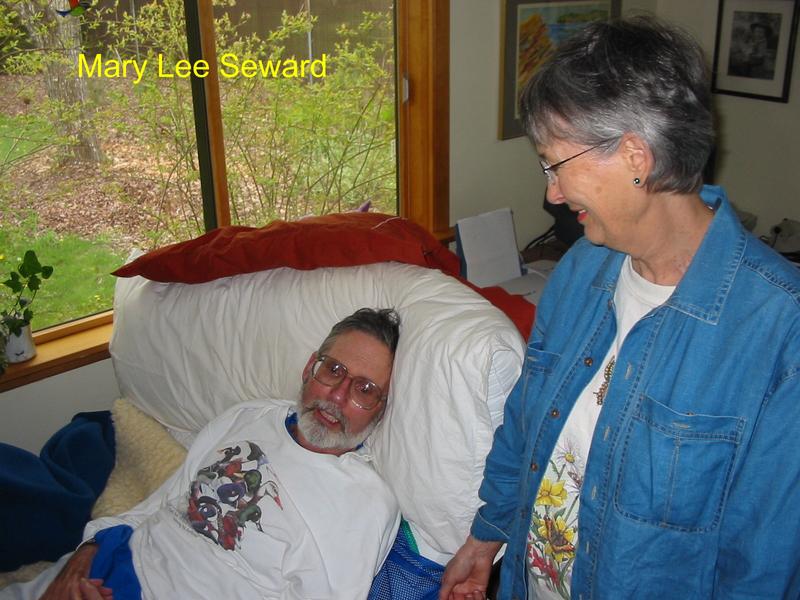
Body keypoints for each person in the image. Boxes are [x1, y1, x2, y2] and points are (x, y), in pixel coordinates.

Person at [441, 16, 800, 600]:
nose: (552, 193)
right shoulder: (581, 271)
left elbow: (761, 568)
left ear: (635, 156)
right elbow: (526, 422)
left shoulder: (780, 333)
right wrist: (487, 537)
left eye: (556, 164)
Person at [6, 307, 401, 600]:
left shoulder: (363, 503)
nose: (337, 395)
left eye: (365, 390)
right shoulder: (248, 417)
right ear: (309, 368)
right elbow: (163, 501)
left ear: (381, 410)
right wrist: (88, 549)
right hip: (108, 563)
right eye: (333, 370)